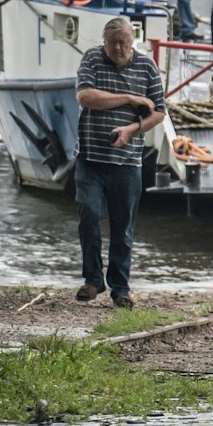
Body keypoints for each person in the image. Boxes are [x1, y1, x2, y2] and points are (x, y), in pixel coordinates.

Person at [73, 17, 164, 309]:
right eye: (113, 43)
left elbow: (158, 112)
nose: (119, 48)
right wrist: (128, 97)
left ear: (132, 40)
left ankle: (120, 288)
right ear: (104, 42)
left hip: (127, 162)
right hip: (91, 158)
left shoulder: (147, 67)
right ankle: (92, 280)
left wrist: (130, 131)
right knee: (88, 215)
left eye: (124, 42)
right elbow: (86, 96)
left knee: (123, 227)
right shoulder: (92, 59)